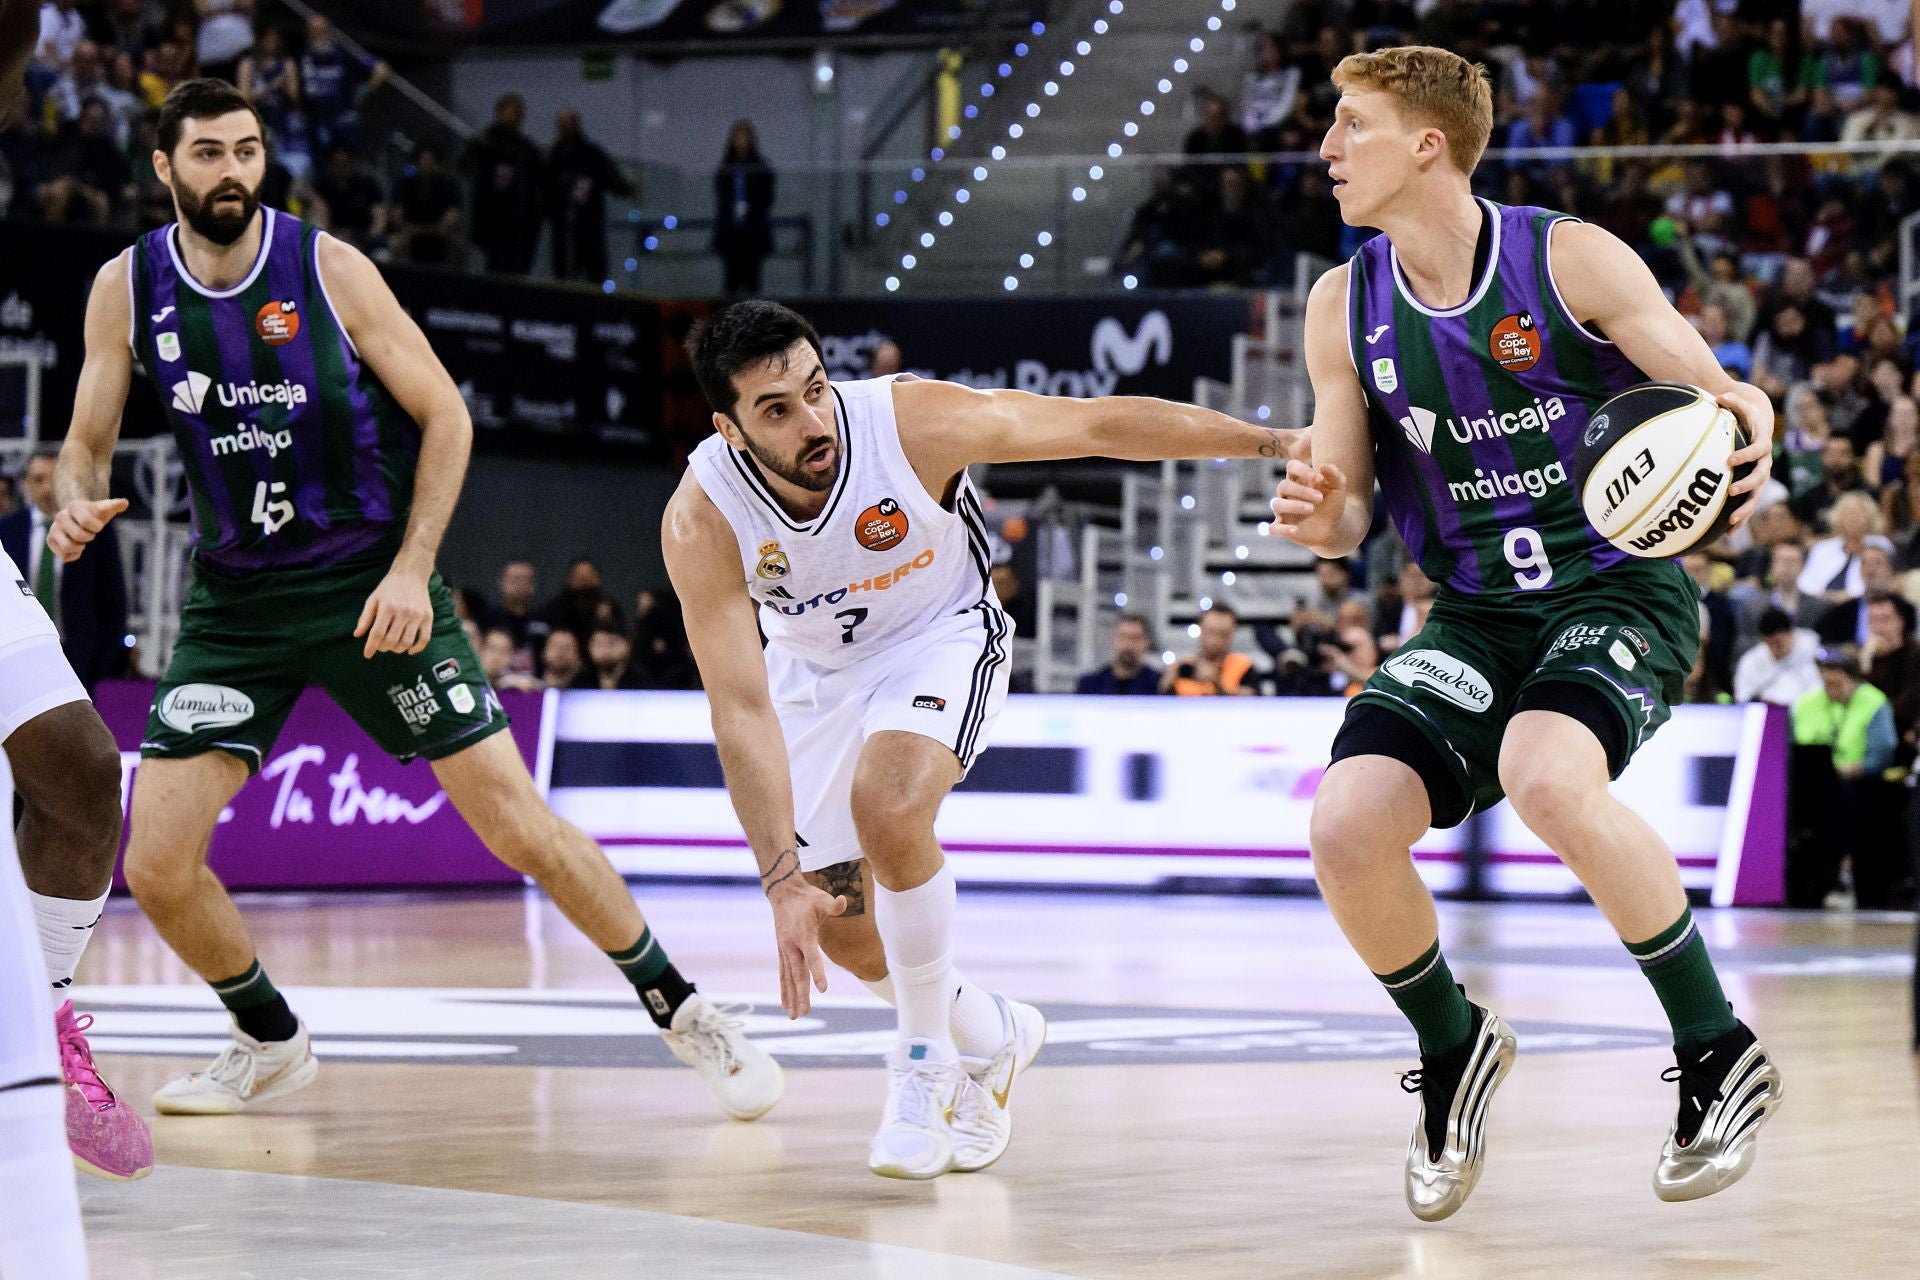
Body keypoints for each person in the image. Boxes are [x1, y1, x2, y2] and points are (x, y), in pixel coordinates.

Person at [47, 79, 780, 1123]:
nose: (232, 173)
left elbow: (447, 415)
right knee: (157, 864)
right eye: (208, 154)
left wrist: (411, 565)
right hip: (237, 607)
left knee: (518, 827)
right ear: (164, 168)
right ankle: (268, 1036)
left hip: (370, 584)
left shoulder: (328, 268)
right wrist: (75, 501)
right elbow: (83, 444)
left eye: (247, 151)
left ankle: (685, 1005)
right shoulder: (124, 289)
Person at [1269, 45, 1782, 1222]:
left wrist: (1746, 426)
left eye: (1351, 125)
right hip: (1477, 608)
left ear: (1426, 143)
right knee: (1346, 824)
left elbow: (1719, 394)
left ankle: (1717, 1047)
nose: (1328, 150)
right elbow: (1347, 511)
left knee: (1544, 773)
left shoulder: (1569, 258)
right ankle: (1454, 1046)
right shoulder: (1342, 306)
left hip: (1616, 586)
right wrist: (1319, 510)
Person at [663, 300, 1303, 1181]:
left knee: (887, 806)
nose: (813, 422)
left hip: (941, 635)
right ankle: (993, 1034)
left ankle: (923, 1069)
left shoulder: (908, 424)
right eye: (777, 410)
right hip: (814, 677)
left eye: (815, 390)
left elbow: (1099, 424)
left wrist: (1275, 445)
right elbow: (740, 707)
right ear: (729, 430)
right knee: (848, 934)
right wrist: (779, 879)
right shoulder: (703, 519)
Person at [1, 446, 128, 689]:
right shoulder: (6, 531)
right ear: (26, 484)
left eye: (54, 478)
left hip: (75, 658)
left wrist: (98, 664)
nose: (47, 489)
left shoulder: (95, 530)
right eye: (38, 480)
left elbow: (113, 601)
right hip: (18, 657)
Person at [547, 109, 633, 283]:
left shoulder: (590, 155)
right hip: (566, 232)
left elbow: (612, 179)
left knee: (589, 276)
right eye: (564, 125)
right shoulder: (556, 156)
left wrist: (627, 189)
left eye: (569, 124)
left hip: (588, 229)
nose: (567, 128)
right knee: (568, 278)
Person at [464, 93, 543, 275]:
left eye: (517, 113)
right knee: (495, 270)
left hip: (520, 224)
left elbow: (538, 182)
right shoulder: (484, 142)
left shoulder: (526, 148)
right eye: (510, 111)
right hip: (492, 220)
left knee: (518, 271)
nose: (514, 117)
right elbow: (468, 168)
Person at [712, 119, 774, 294]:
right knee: (731, 280)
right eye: (737, 136)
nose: (741, 141)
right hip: (731, 231)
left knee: (752, 279)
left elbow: (767, 197)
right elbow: (720, 195)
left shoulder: (760, 167)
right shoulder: (725, 167)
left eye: (744, 136)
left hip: (753, 230)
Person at [1733, 607, 1821, 706]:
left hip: (1805, 710)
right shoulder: (1752, 661)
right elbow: (1743, 696)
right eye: (1769, 644)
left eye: (1778, 643)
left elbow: (1819, 689)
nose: (1774, 649)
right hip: (1769, 712)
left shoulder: (1813, 650)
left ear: (1790, 634)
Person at [1163, 603, 1257, 695]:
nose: (1215, 640)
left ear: (1232, 634)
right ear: (1201, 629)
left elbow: (1250, 704)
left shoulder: (1243, 667)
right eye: (1211, 632)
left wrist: (1217, 683)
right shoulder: (1184, 667)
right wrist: (1165, 687)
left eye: (1222, 634)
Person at [1076, 613, 1161, 694]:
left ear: (1146, 642)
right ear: (1114, 639)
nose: (1128, 645)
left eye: (1135, 639)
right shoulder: (1091, 685)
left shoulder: (1159, 685)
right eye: (1122, 637)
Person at [576, 621, 649, 690]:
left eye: (611, 644)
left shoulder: (641, 682)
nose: (604, 650)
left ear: (628, 646)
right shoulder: (580, 682)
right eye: (599, 644)